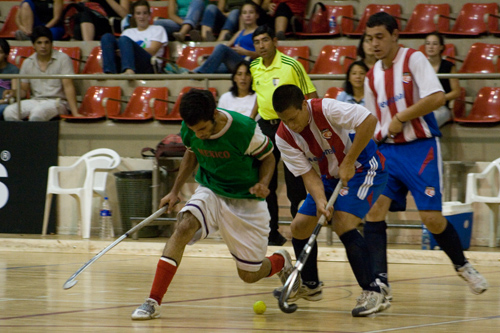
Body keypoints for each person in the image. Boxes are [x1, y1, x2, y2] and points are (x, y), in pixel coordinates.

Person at [130, 88, 295, 320]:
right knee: (184, 226)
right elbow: (191, 153)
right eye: (195, 131)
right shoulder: (191, 128)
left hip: (246, 200)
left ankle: (281, 260)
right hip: (211, 189)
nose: (200, 135)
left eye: (203, 130)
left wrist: (263, 183)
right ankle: (153, 301)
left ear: (215, 115)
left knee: (249, 275)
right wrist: (175, 191)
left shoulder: (244, 129)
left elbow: (268, 156)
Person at [363, 12, 488, 300]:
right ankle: (379, 282)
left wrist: (402, 117)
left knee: (431, 218)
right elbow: (371, 120)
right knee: (374, 211)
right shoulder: (371, 77)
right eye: (370, 39)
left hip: (421, 149)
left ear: (395, 35)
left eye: (380, 37)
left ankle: (462, 265)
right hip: (387, 152)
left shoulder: (413, 60)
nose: (375, 44)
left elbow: (435, 98)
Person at [272, 84, 390, 317]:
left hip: (365, 167)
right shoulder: (283, 137)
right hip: (329, 177)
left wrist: (349, 161)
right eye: (286, 121)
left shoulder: (326, 108)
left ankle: (374, 291)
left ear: (303, 105)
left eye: (294, 118)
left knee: (343, 222)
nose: (292, 126)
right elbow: (309, 175)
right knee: (299, 226)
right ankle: (311, 285)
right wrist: (319, 201)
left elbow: (369, 120)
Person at [250, 25, 317, 246]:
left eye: (265, 40)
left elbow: (311, 96)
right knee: (266, 181)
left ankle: (301, 232)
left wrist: (309, 128)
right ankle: (272, 233)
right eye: (257, 41)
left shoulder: (292, 65)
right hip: (266, 129)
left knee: (295, 183)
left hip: (290, 128)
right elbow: (260, 97)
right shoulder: (254, 67)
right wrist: (252, 122)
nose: (261, 45)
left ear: (275, 42)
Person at [3, 26, 82, 121]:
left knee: (37, 113)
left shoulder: (63, 59)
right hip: (35, 101)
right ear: (34, 45)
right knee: (9, 112)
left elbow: (68, 87)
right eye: (39, 43)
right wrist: (13, 92)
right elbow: (23, 91)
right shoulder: (27, 62)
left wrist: (75, 112)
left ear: (51, 43)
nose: (43, 46)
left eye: (46, 42)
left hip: (58, 102)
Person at [100, 0, 168, 75]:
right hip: (125, 61)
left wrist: (127, 51)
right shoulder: (128, 32)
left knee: (124, 39)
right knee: (107, 37)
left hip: (148, 64)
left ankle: (129, 70)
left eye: (145, 13)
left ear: (149, 15)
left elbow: (152, 51)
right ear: (134, 16)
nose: (142, 17)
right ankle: (108, 72)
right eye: (138, 13)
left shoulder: (158, 29)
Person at [193, 2, 259, 74]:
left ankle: (200, 73)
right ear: (241, 16)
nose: (248, 15)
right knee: (206, 65)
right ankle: (187, 73)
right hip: (236, 63)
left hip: (249, 64)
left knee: (220, 47)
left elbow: (264, 55)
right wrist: (211, 56)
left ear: (257, 15)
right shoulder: (240, 32)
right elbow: (227, 47)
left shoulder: (260, 32)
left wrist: (246, 52)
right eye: (245, 13)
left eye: (251, 12)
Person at [424, 32, 461, 127]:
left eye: (435, 44)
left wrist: (440, 99)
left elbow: (456, 92)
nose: (431, 47)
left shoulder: (448, 66)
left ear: (441, 47)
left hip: (441, 107)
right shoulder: (420, 65)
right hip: (423, 106)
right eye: (428, 44)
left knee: (428, 123)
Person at [0, 39, 19, 120]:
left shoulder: (13, 70)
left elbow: (14, 93)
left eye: (0, 52)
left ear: (6, 54)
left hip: (5, 104)